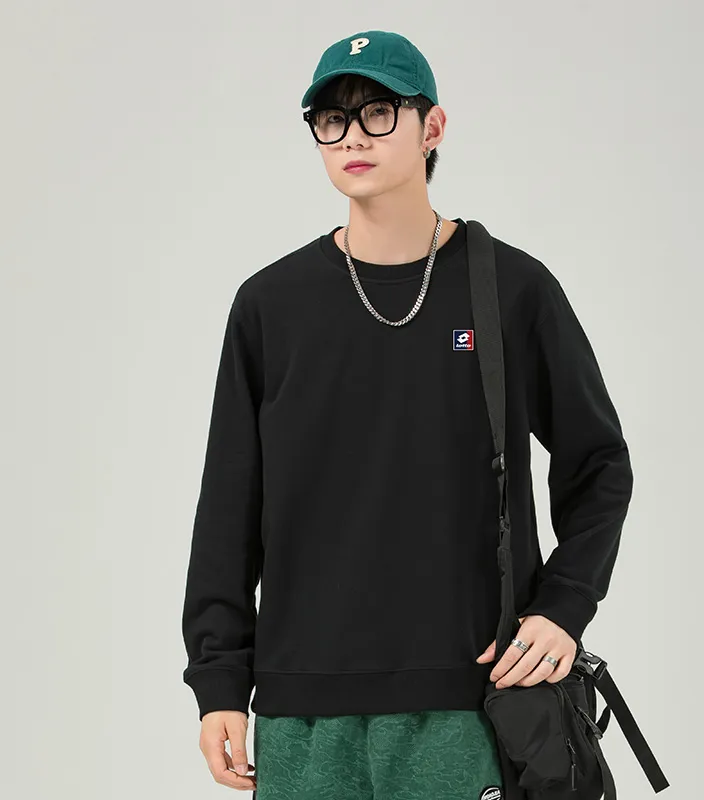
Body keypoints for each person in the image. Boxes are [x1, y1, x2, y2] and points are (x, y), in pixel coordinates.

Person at [181, 29, 634, 800]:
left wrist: (563, 608)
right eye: (332, 118)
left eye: (378, 111)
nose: (352, 135)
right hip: (301, 714)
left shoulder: (512, 290)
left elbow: (600, 465)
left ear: (433, 127)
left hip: (466, 702)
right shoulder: (270, 306)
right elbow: (229, 508)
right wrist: (219, 680)